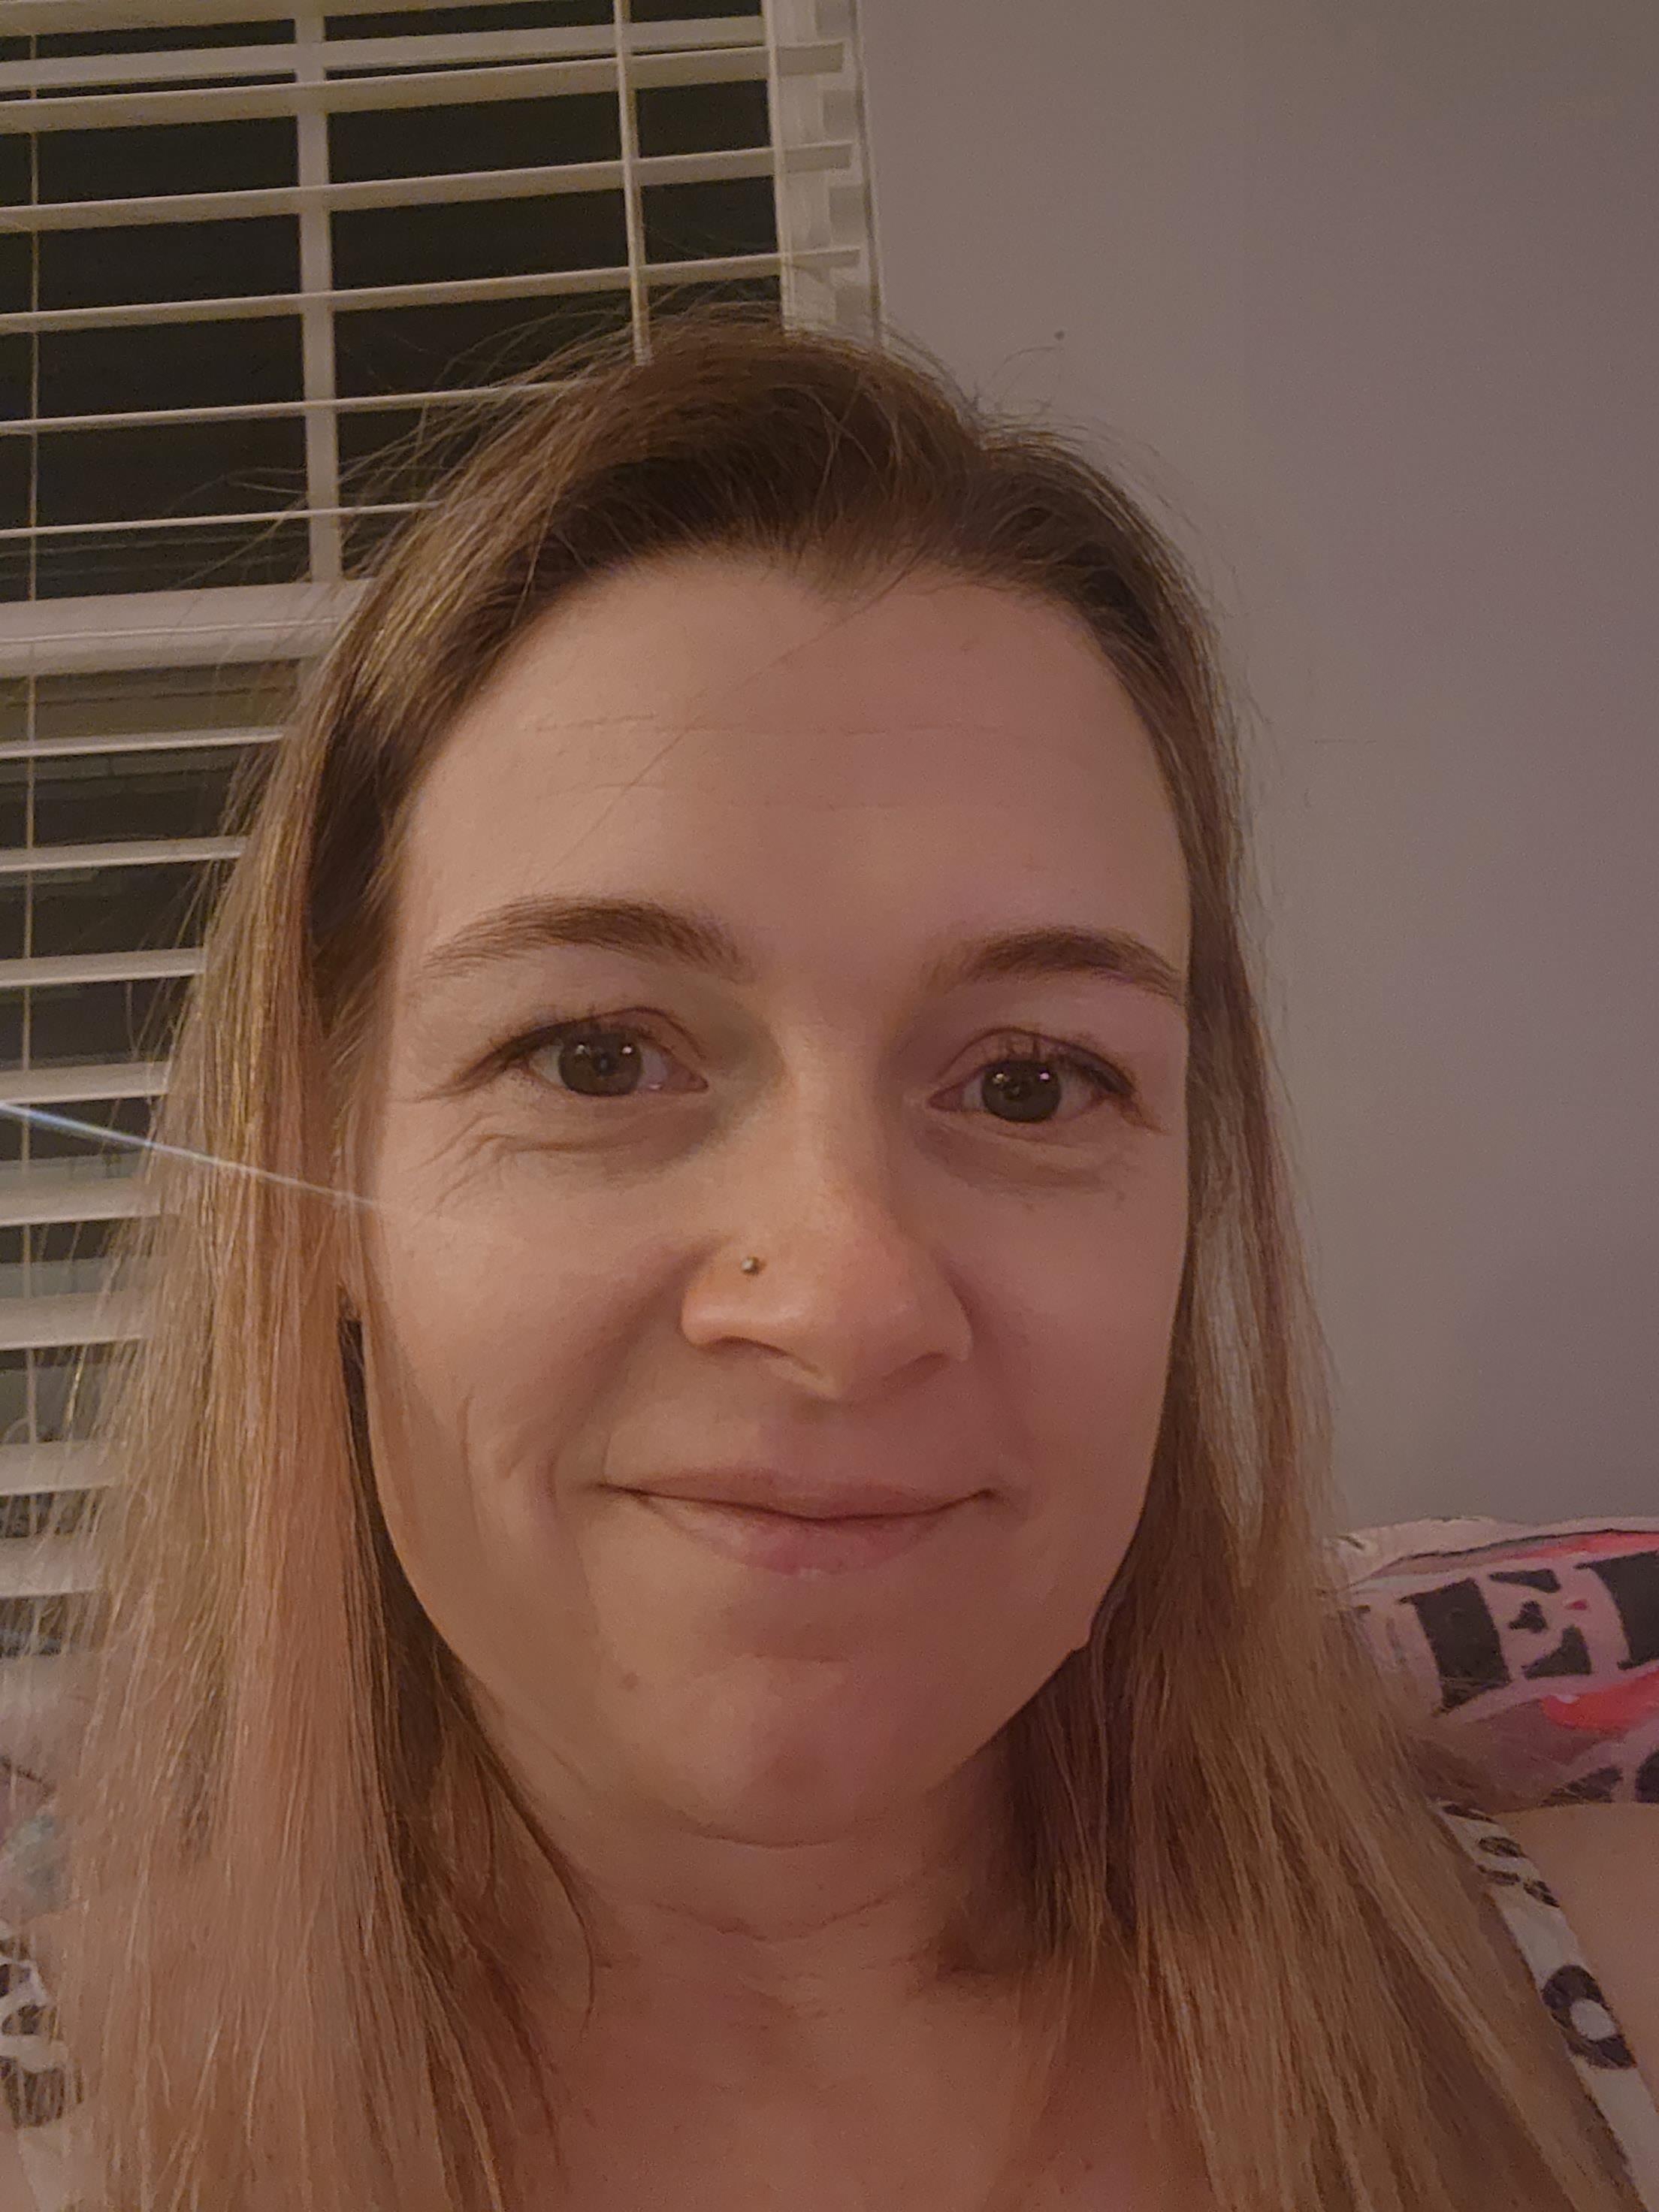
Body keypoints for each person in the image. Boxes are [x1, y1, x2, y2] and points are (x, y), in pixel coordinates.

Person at [2, 312, 1653, 2211]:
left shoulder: (1591, 2019)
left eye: (1032, 1080)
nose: (847, 1298)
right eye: (595, 1056)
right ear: (320, 1178)